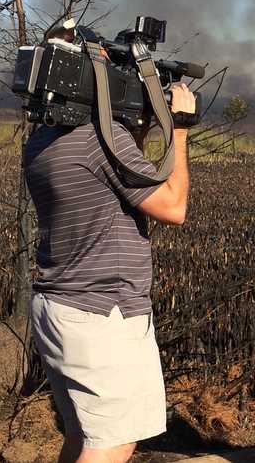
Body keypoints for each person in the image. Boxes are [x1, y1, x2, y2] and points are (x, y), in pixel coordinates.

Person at [24, 85, 196, 463]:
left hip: (57, 305)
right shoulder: (101, 140)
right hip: (101, 315)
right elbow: (173, 206)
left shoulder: (39, 142)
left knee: (82, 436)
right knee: (114, 443)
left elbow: (109, 178)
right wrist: (179, 128)